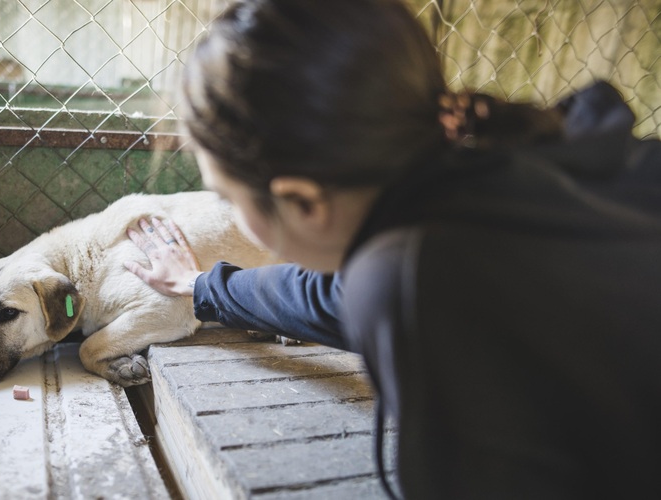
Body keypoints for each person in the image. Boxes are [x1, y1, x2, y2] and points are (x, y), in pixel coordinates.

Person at [124, 0, 661, 498]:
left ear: (302, 202)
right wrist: (204, 287)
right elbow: (325, 295)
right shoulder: (523, 169)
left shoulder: (410, 274)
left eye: (228, 198)